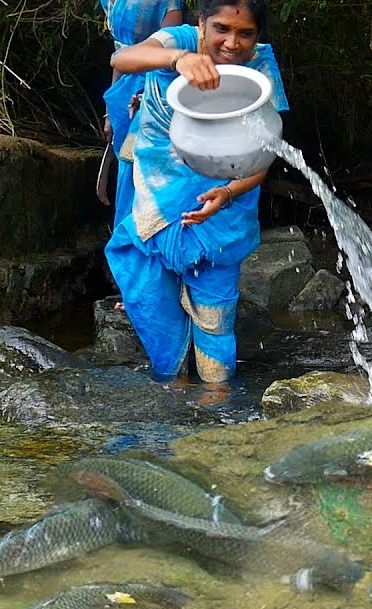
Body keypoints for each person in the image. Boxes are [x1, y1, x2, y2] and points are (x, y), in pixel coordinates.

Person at [106, 0, 287, 384]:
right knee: (148, 293)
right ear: (202, 23)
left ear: (257, 35)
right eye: (222, 28)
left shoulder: (261, 69)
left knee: (215, 318)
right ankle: (174, 383)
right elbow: (121, 59)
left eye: (245, 33)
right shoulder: (180, 41)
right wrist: (178, 60)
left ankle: (217, 401)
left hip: (223, 212)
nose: (232, 43)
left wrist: (227, 193)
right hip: (158, 201)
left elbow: (264, 155)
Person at [100, 0, 184, 227]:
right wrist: (109, 113)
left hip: (156, 90)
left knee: (145, 174)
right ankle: (125, 238)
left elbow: (168, 55)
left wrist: (149, 97)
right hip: (123, 89)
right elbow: (120, 54)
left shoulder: (169, 3)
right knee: (126, 170)